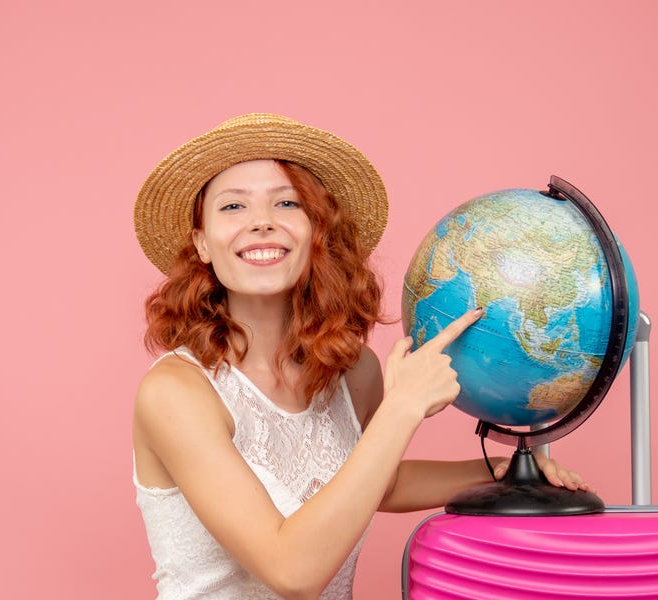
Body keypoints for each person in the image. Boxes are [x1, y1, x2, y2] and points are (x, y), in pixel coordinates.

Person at [132, 113, 589, 599]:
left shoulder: (352, 371)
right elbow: (292, 572)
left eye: (286, 203)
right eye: (232, 206)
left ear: (316, 232)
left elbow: (376, 482)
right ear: (202, 243)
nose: (261, 221)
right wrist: (403, 408)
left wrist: (496, 473)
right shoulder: (176, 393)